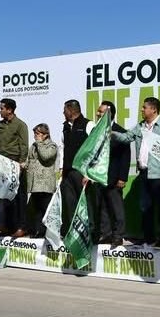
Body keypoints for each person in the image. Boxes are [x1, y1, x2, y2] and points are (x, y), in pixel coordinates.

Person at [113, 96, 160, 247]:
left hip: (159, 173)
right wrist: (112, 133)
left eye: (144, 107)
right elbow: (127, 137)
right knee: (145, 206)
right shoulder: (141, 126)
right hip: (144, 172)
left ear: (153, 109)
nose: (142, 110)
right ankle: (149, 238)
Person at [0, 98, 29, 237]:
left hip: (15, 164)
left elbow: (23, 145)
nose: (0, 110)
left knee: (19, 198)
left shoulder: (20, 125)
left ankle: (21, 227)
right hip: (2, 164)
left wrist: (21, 163)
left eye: (2, 108)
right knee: (4, 197)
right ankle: (6, 226)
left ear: (9, 110)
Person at [94, 101, 130, 247]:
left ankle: (118, 235)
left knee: (116, 208)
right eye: (98, 111)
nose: (97, 114)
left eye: (100, 112)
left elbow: (125, 156)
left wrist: (122, 177)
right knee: (102, 207)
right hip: (99, 176)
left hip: (114, 176)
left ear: (109, 114)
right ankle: (106, 234)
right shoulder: (96, 131)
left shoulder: (120, 131)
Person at [59, 99, 95, 236]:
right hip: (68, 173)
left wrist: (89, 173)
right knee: (69, 203)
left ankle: (89, 233)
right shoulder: (65, 127)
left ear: (71, 110)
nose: (63, 112)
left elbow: (95, 148)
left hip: (82, 172)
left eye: (65, 110)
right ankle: (73, 232)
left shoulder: (88, 124)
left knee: (86, 204)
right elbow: (62, 148)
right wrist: (62, 170)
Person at [26, 123, 59, 238]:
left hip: (45, 184)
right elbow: (29, 159)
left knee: (45, 209)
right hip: (35, 184)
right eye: (35, 133)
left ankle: (47, 232)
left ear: (45, 135)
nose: (35, 136)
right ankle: (37, 231)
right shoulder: (34, 145)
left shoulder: (52, 146)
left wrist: (39, 143)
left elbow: (45, 156)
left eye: (38, 133)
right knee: (35, 210)